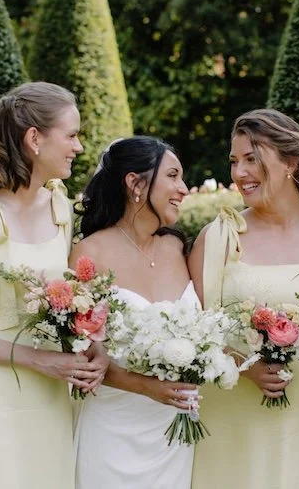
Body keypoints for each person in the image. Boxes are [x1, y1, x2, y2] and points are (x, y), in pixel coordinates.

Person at [0, 82, 106, 489]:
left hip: (49, 396)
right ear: (34, 139)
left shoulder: (63, 210)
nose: (78, 147)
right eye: (72, 135)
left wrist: (93, 346)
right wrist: (36, 359)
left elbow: (72, 305)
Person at [188, 109, 299, 488]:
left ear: (290, 162)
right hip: (230, 418)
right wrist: (244, 366)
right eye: (234, 161)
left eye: (252, 159)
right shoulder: (219, 238)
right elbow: (192, 330)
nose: (239, 173)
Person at [71, 136, 198, 489]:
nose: (183, 189)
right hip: (114, 430)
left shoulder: (177, 247)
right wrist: (146, 386)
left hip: (174, 433)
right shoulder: (89, 253)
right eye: (172, 176)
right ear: (135, 183)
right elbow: (78, 360)